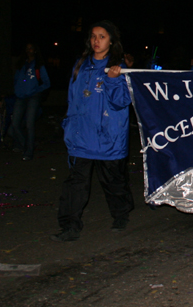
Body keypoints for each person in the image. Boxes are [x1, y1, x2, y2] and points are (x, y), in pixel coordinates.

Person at [52, 21, 135, 242]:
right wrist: (69, 125)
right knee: (76, 183)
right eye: (93, 36)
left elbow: (121, 102)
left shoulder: (118, 67)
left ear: (111, 41)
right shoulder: (81, 65)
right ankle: (70, 225)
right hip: (81, 136)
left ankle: (121, 214)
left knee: (113, 181)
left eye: (102, 36)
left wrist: (113, 81)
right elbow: (73, 98)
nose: (96, 41)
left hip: (108, 137)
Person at [12, 43, 50, 161]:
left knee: (29, 124)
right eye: (27, 48)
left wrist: (35, 90)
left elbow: (47, 82)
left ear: (35, 50)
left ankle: (28, 152)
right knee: (15, 123)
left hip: (33, 97)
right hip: (20, 97)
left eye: (31, 48)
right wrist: (17, 89)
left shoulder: (39, 66)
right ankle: (27, 146)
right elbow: (16, 79)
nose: (29, 51)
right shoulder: (21, 65)